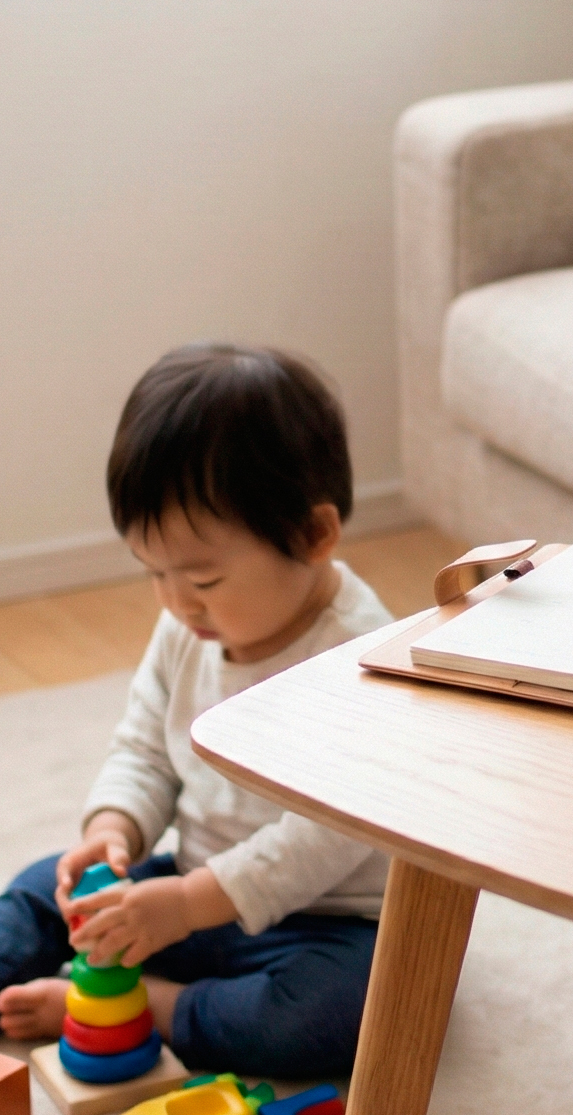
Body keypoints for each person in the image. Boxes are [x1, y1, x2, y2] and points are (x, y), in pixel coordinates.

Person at [0, 345, 393, 1079]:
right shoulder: (189, 625)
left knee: (342, 1012)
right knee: (40, 890)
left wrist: (182, 905)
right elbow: (146, 747)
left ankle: (149, 1004)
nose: (177, 602)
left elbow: (322, 840)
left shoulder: (363, 653)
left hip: (328, 922)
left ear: (313, 535)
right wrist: (114, 830)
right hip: (193, 881)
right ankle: (87, 968)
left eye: (204, 576)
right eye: (155, 572)